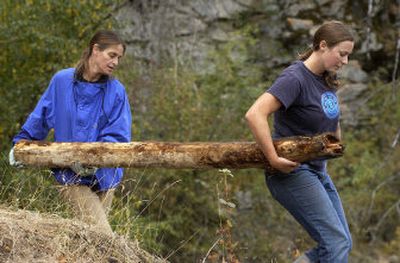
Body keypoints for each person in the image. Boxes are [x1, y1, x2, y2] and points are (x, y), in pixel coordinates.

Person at [245, 21, 354, 262]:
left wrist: (333, 144)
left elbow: (331, 118)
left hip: (317, 170)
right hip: (291, 171)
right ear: (323, 46)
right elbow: (255, 114)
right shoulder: (295, 78)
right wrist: (273, 159)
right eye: (342, 54)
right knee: (335, 243)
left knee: (342, 242)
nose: (345, 62)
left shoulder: (326, 79)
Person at [9, 30, 132, 235]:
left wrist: (95, 157)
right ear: (95, 50)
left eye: (119, 58)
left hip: (105, 176)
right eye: (112, 55)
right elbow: (41, 116)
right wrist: (23, 143)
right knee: (104, 236)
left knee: (92, 239)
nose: (116, 62)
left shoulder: (117, 91)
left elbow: (118, 134)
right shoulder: (61, 81)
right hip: (69, 174)